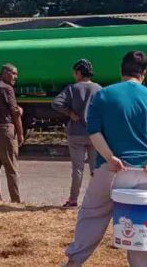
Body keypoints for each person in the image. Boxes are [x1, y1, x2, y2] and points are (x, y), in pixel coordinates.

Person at [63, 51, 147, 267]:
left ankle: (74, 261)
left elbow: (94, 131)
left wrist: (110, 157)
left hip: (111, 171)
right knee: (144, 226)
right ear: (143, 73)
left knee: (92, 215)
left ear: (121, 71)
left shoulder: (104, 96)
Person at [52, 59, 102, 208]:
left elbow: (56, 103)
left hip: (75, 133)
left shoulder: (72, 89)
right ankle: (96, 199)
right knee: (95, 169)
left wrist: (69, 112)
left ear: (79, 72)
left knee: (77, 169)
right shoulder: (99, 89)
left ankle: (73, 200)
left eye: (75, 73)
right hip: (94, 134)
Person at [0, 64, 24, 203]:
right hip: (5, 129)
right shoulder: (7, 89)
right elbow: (14, 113)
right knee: (11, 168)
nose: (16, 77)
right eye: (13, 73)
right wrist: (20, 133)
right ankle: (15, 200)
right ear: (5, 72)